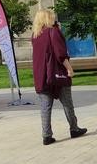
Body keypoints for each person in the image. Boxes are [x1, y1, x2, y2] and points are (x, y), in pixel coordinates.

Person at [31, 9, 87, 146]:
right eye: (53, 17)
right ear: (48, 18)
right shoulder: (53, 31)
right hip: (57, 74)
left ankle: (46, 135)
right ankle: (74, 128)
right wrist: (69, 68)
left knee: (45, 107)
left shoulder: (35, 35)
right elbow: (60, 53)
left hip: (41, 75)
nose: (55, 19)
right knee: (67, 103)